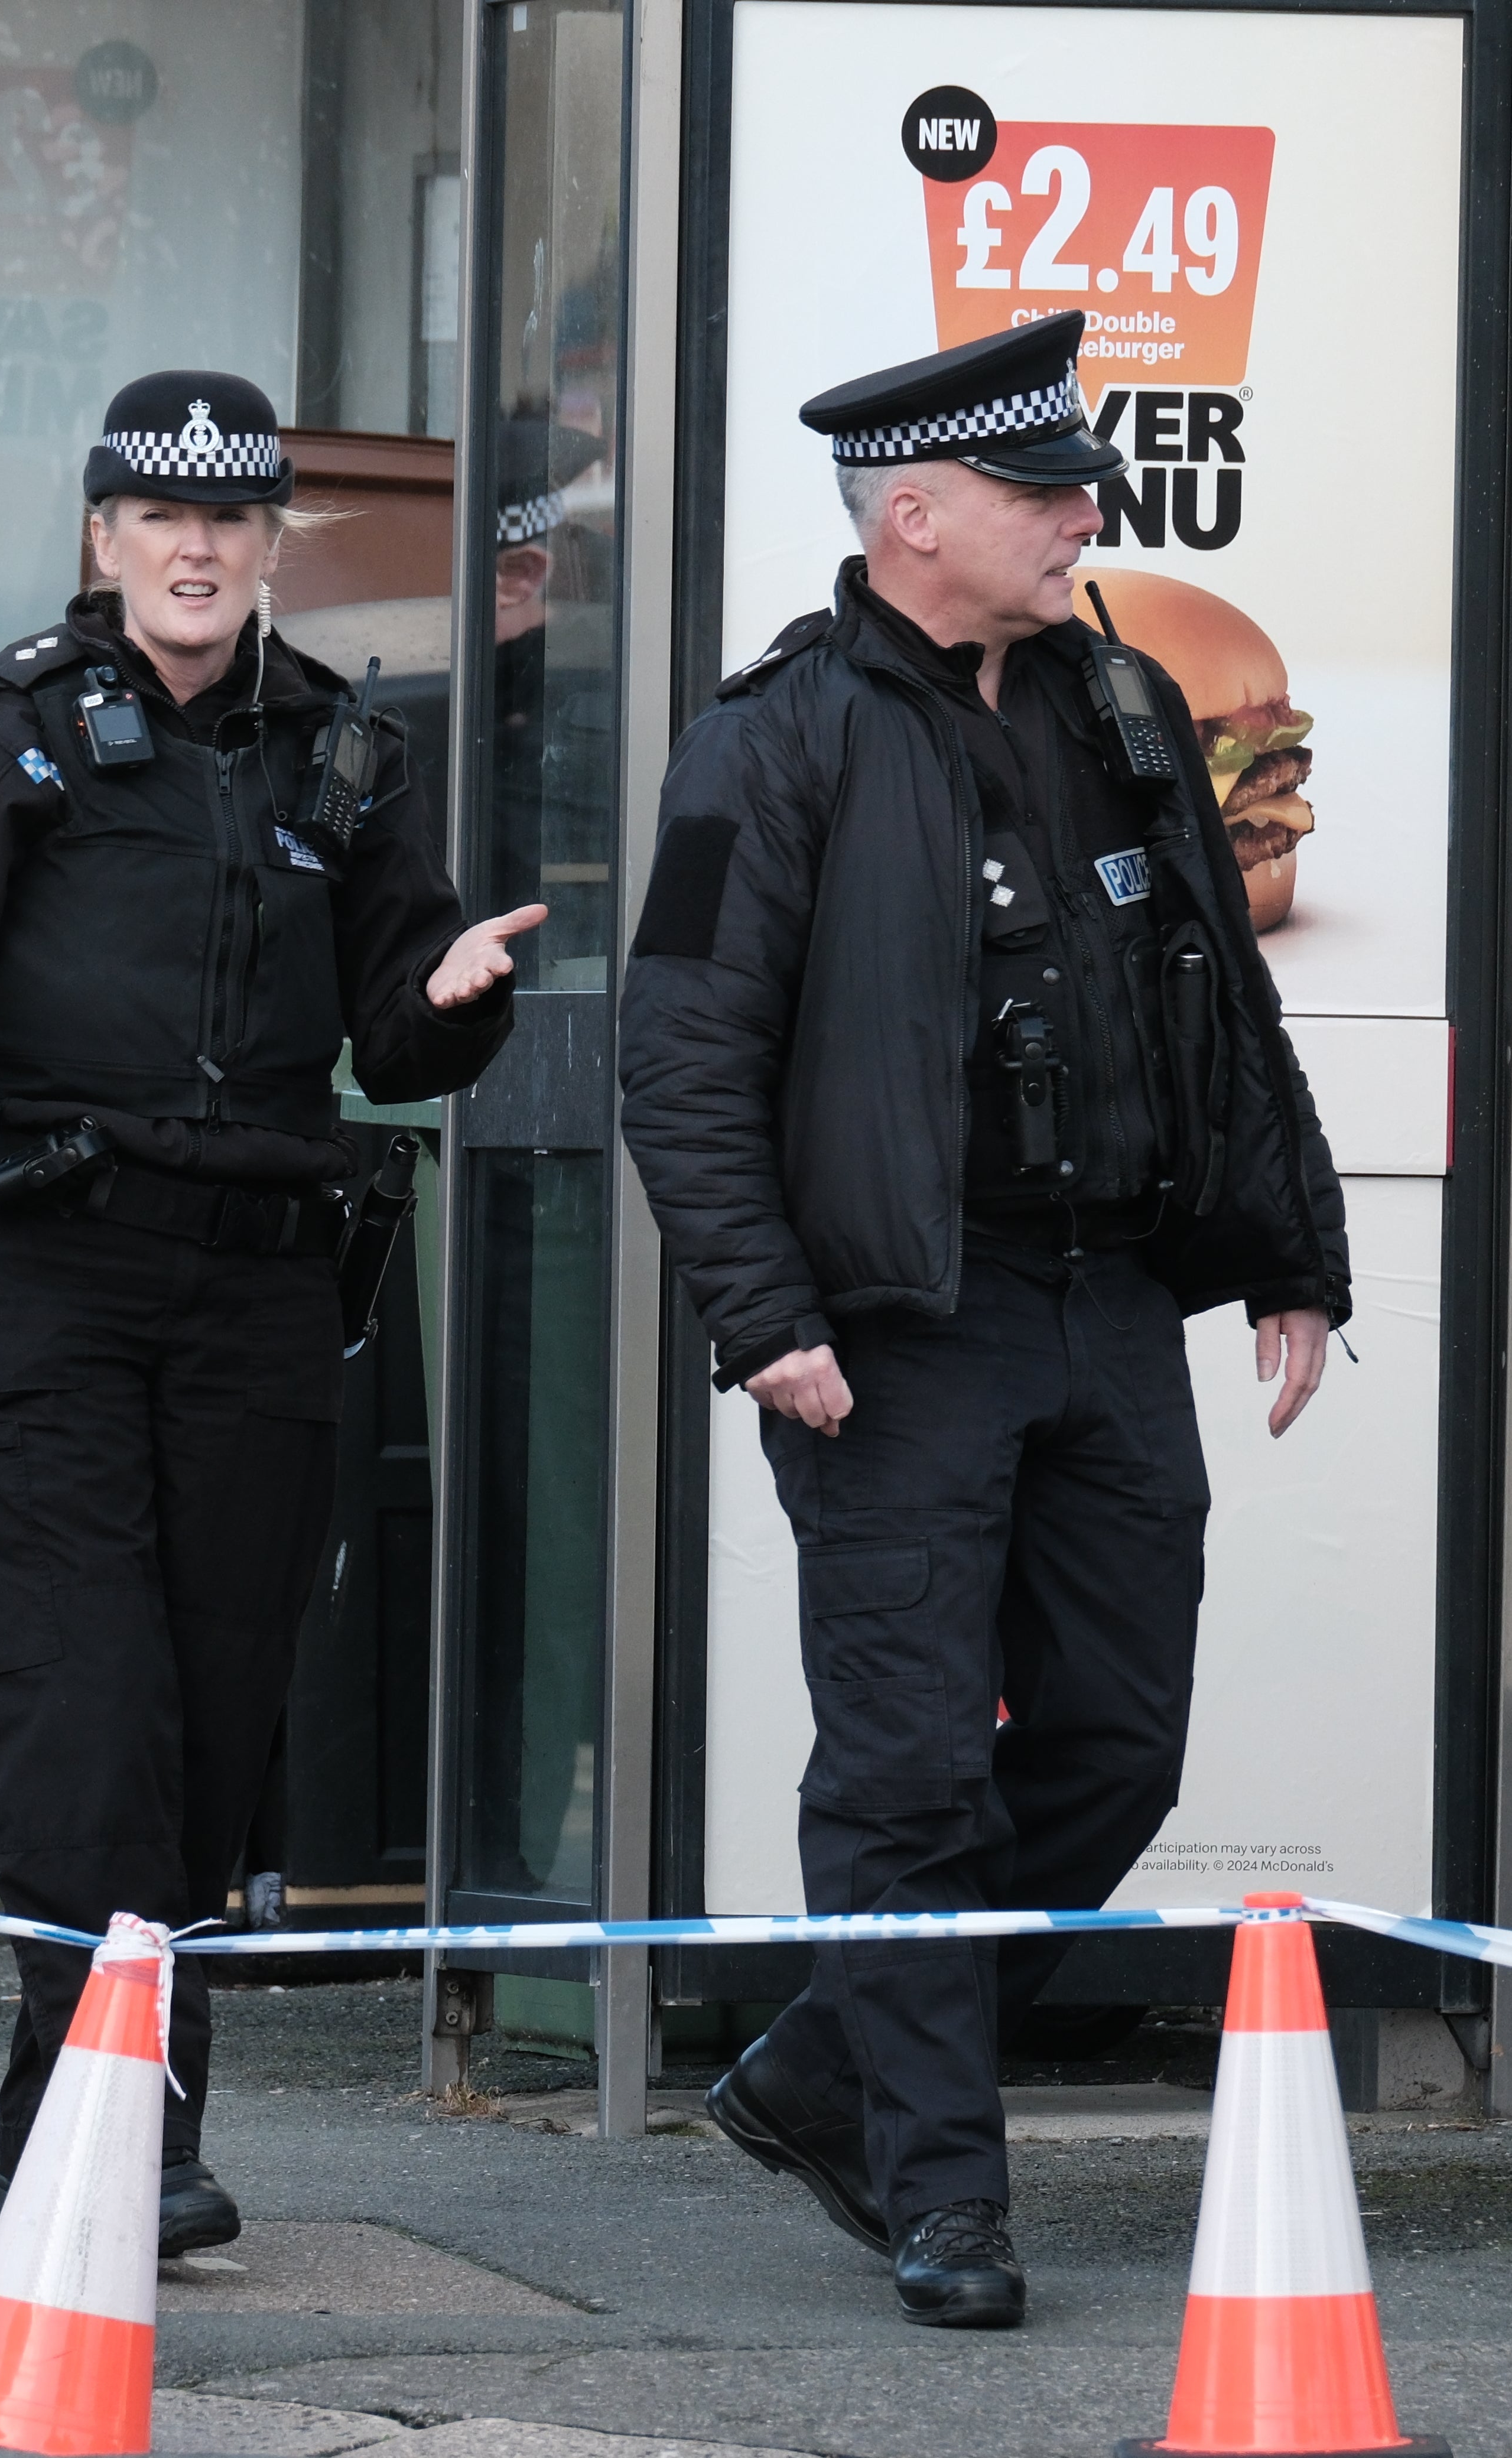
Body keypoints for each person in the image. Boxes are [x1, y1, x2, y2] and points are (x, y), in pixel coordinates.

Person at [617, 311, 1350, 2328]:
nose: (1083, 514)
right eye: (1045, 492)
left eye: (1083, 484)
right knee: (914, 1776)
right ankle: (945, 2193)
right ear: (915, 516)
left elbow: (1222, 989)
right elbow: (681, 1055)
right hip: (892, 1328)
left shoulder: (1120, 701)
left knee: (1115, 1748)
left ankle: (832, 2076)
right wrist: (762, 1313)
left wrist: (1293, 1253)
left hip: (1103, 1301)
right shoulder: (769, 740)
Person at [0, 371, 542, 2255]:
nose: (198, 548)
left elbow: (396, 1029)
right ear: (103, 539)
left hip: (257, 1295)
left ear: (272, 545)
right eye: (161, 517)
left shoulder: (344, 760)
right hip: (47, 1276)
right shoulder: (4, 738)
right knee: (81, 1718)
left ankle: (83, 2131)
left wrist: (459, 996)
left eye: (232, 520)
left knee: (215, 1730)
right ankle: (115, 2134)